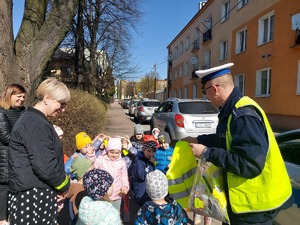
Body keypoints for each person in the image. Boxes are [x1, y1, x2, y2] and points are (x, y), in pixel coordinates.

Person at [183, 63, 293, 225]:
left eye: (205, 92)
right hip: (246, 205)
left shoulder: (241, 115)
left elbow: (249, 164)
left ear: (214, 89)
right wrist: (199, 140)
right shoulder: (232, 109)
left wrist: (207, 153)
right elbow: (225, 139)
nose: (206, 96)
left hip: (254, 208)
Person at [7, 78, 71, 225]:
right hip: (34, 197)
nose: (63, 109)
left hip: (35, 194)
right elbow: (45, 166)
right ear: (47, 98)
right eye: (61, 104)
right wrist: (64, 184)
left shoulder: (34, 120)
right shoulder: (35, 123)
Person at [0, 83, 26, 225]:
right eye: (19, 96)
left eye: (23, 97)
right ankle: (2, 219)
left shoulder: (23, 112)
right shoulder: (2, 112)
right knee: (3, 189)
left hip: (18, 157)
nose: (21, 99)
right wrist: (25, 142)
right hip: (5, 158)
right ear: (10, 95)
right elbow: (6, 136)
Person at [94, 137, 129, 213]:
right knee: (104, 215)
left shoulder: (122, 162)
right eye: (112, 152)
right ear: (107, 151)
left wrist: (125, 186)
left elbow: (124, 176)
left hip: (117, 195)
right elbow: (93, 173)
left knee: (115, 214)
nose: (114, 155)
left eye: (117, 153)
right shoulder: (101, 160)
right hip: (104, 195)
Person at [130, 140, 156, 206]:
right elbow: (141, 176)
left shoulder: (149, 160)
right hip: (141, 191)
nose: (151, 154)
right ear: (144, 150)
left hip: (147, 191)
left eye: (153, 151)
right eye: (148, 151)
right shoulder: (139, 161)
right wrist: (150, 164)